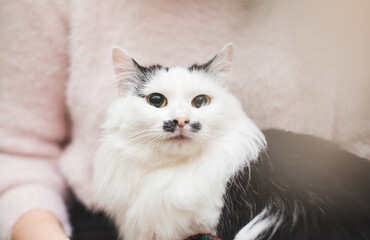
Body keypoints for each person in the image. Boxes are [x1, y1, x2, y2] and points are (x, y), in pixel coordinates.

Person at [1, 1, 369, 240]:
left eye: (199, 101)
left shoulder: (339, 13)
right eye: (157, 100)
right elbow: (17, 152)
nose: (179, 119)